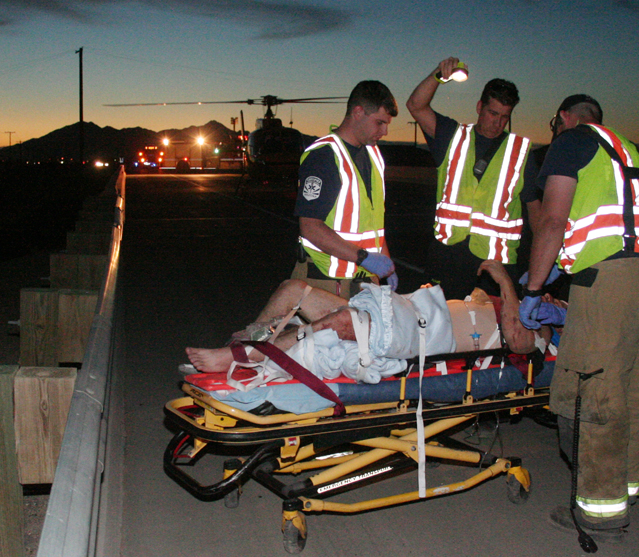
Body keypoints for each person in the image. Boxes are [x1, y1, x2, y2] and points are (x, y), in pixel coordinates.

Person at [519, 94, 639, 543]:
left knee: (594, 394)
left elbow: (554, 220)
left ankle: (597, 513)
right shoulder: (629, 151)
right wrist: (563, 263)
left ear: (564, 119)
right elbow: (622, 222)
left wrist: (535, 287)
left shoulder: (571, 141)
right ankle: (626, 492)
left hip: (611, 287)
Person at [185, 260, 562, 376]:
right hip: (414, 315)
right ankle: (240, 346)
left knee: (345, 320)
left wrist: (506, 282)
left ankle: (248, 356)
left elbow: (519, 343)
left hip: (432, 343)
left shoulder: (538, 324)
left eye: (554, 301)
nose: (546, 296)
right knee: (292, 290)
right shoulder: (517, 305)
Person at [406, 57, 540, 300]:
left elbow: (536, 212)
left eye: (504, 116)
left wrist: (540, 265)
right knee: (442, 327)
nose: (498, 122)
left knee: (493, 332)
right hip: (447, 256)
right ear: (479, 107)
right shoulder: (451, 135)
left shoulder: (520, 152)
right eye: (492, 113)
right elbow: (416, 105)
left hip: (494, 265)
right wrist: (439, 75)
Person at [291, 80, 399, 300]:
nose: (385, 131)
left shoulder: (373, 155)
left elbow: (373, 221)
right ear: (358, 112)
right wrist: (364, 258)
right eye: (380, 123)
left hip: (364, 279)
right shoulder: (324, 156)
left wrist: (385, 266)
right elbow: (310, 227)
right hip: (325, 281)